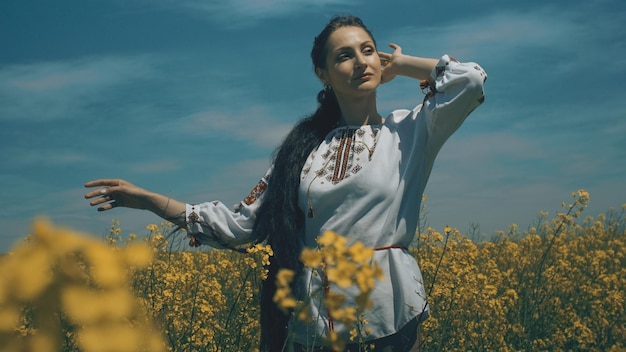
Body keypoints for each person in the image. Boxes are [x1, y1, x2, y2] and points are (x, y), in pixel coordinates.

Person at [85, 14, 487, 352]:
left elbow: (469, 81)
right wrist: (148, 200)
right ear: (323, 73)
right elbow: (239, 226)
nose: (361, 62)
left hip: (388, 317)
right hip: (313, 323)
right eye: (344, 56)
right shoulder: (300, 151)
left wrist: (403, 64)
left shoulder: (411, 130)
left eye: (368, 51)